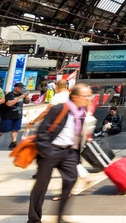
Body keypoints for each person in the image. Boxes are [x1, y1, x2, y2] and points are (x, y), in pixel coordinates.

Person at [28, 83, 92, 223]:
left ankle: (60, 217)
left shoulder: (82, 112)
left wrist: (77, 160)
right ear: (74, 97)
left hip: (69, 152)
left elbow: (77, 135)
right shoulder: (59, 109)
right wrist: (46, 152)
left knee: (70, 180)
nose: (88, 98)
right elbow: (42, 131)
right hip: (51, 150)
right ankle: (33, 219)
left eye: (89, 95)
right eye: (85, 96)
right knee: (41, 186)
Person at [0, 82, 29, 150]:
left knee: (16, 129)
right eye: (20, 87)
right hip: (7, 115)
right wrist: (19, 97)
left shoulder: (21, 94)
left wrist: (27, 98)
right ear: (15, 87)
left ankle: (13, 142)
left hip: (17, 115)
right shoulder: (9, 95)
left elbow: (27, 102)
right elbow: (9, 104)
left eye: (22, 87)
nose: (21, 89)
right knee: (2, 130)